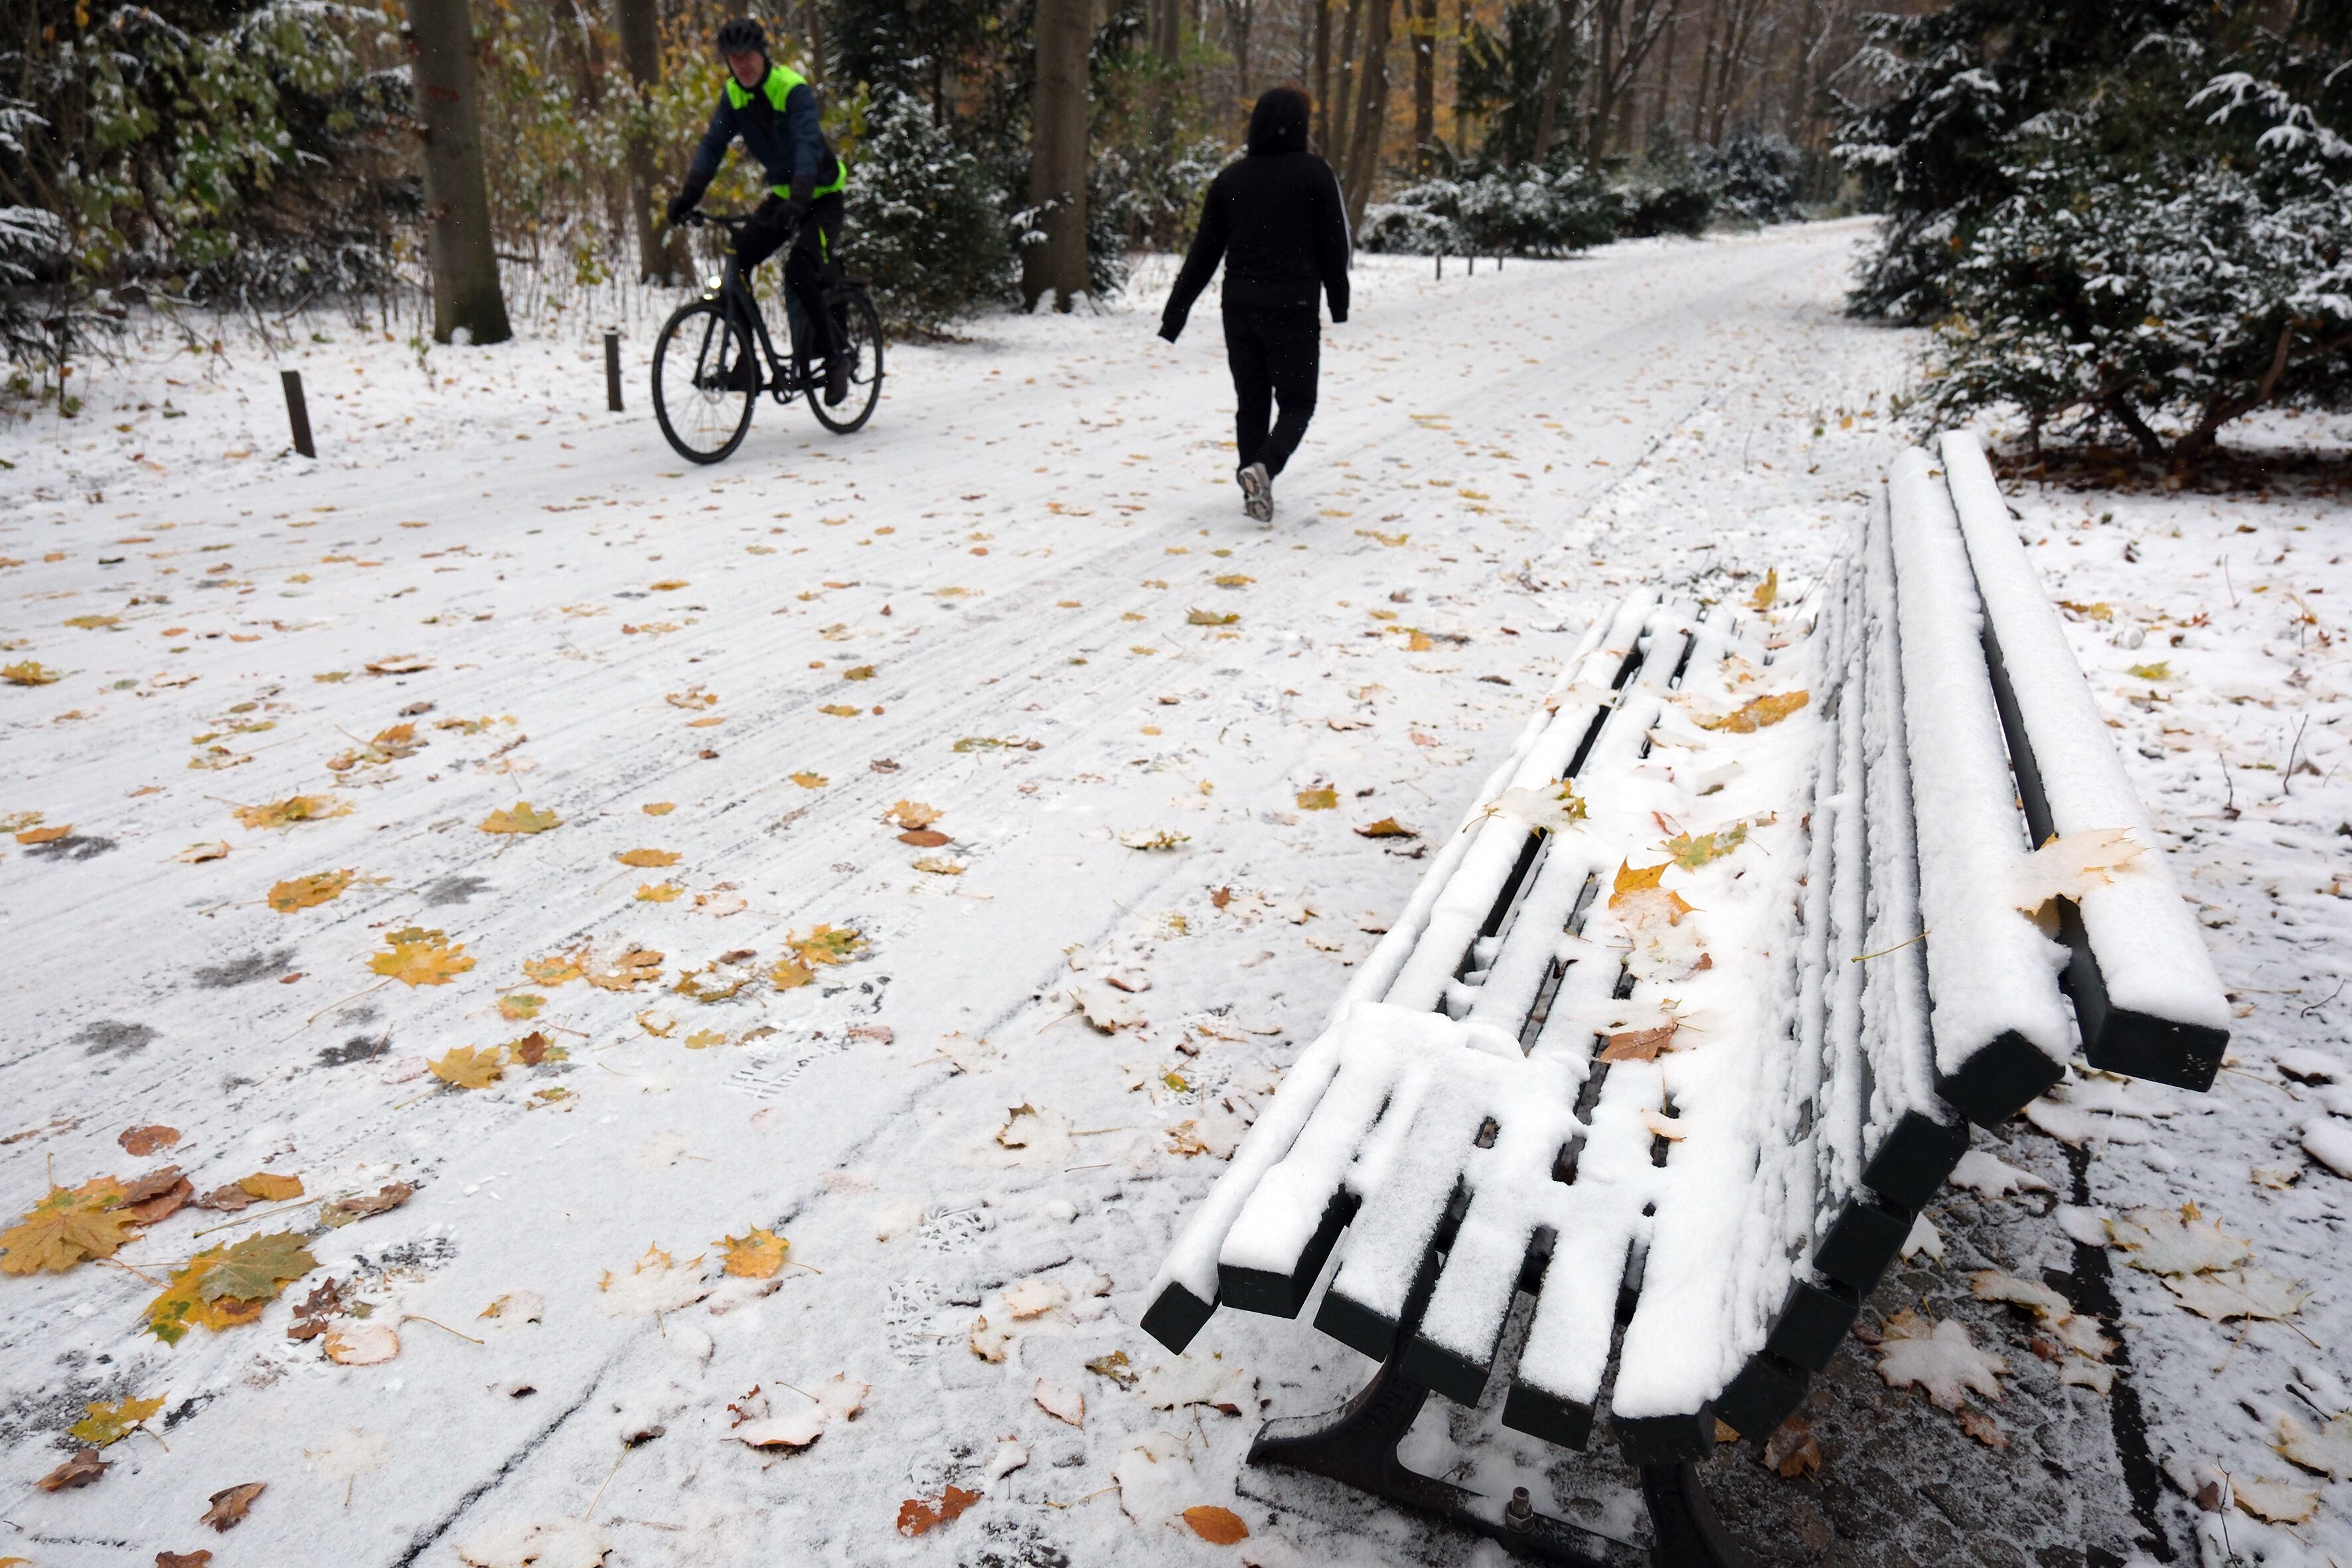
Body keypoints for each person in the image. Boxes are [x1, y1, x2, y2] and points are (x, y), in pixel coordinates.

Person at [1158, 86, 1350, 524]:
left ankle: (1254, 489)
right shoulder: (1315, 174)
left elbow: (1203, 254)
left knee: (1252, 401)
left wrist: (1175, 314)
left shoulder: (1231, 180)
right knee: (1298, 403)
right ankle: (1264, 468)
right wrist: (1338, 301)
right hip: (1293, 305)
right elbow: (1333, 244)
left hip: (1240, 307)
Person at [666, 18, 851, 406]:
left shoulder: (791, 88)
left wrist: (801, 197)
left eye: (748, 56)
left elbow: (807, 145)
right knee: (739, 259)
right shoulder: (734, 95)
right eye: (734, 59)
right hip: (784, 195)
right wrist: (689, 195)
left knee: (799, 269)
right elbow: (713, 145)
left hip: (822, 196)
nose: (743, 65)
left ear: (762, 55)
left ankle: (835, 359)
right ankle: (748, 363)